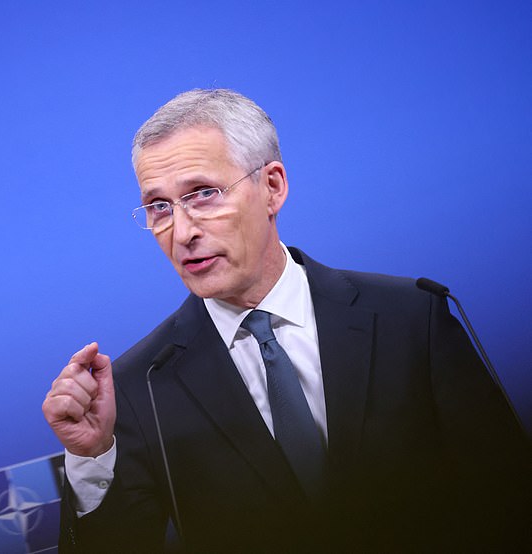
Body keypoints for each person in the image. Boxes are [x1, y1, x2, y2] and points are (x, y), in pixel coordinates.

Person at [42, 89, 530, 553]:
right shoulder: (137, 385)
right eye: (159, 207)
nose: (182, 231)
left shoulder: (410, 316)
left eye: (204, 193)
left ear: (272, 186)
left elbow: (506, 500)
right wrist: (91, 460)